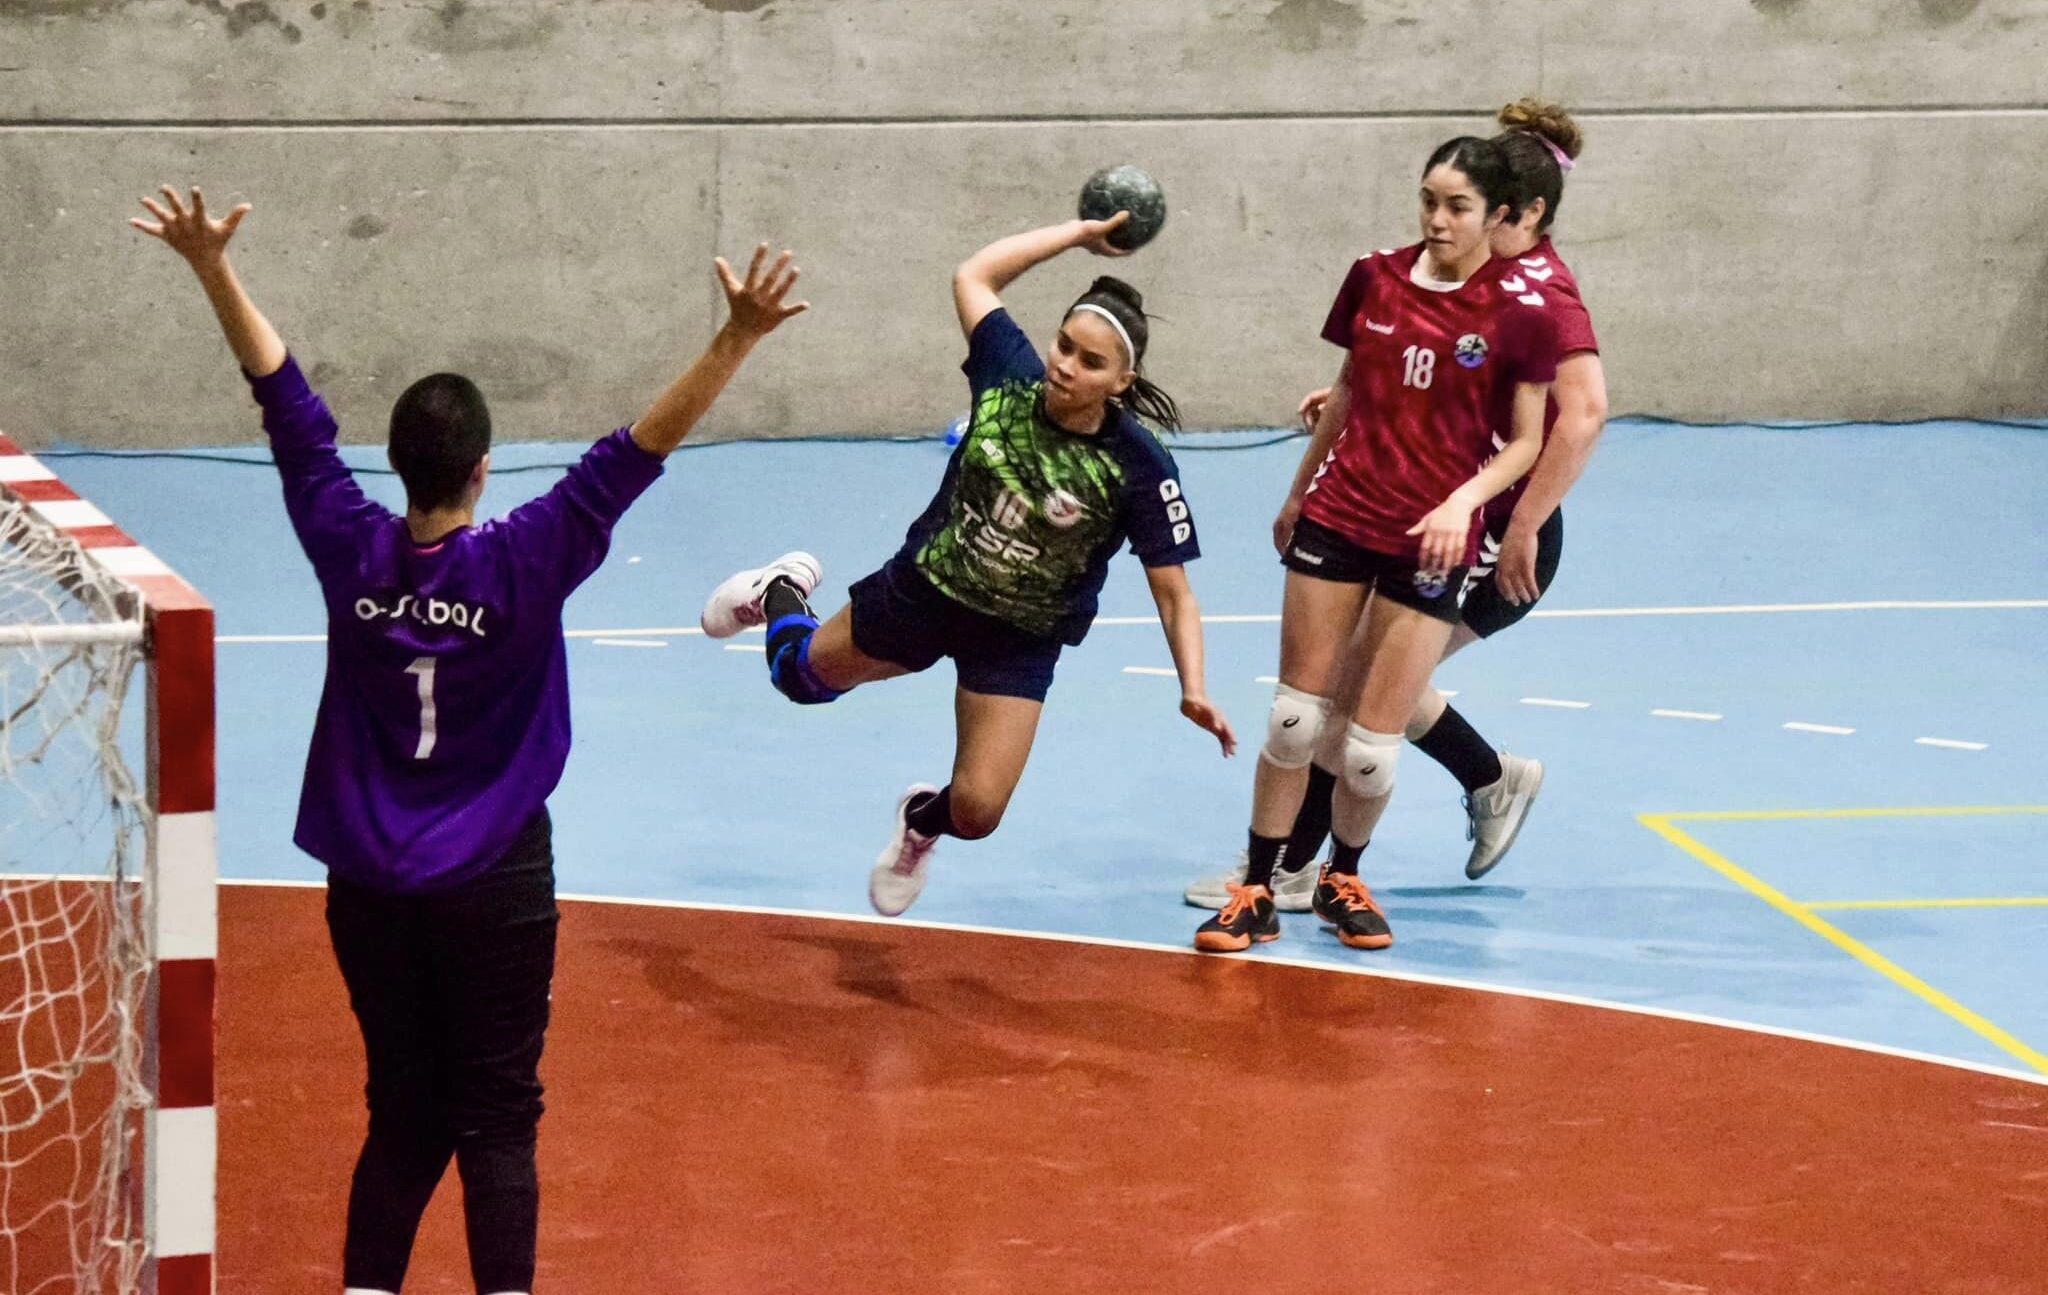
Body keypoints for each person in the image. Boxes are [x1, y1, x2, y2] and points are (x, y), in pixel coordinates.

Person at [133, 185, 805, 1295]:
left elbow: (287, 409)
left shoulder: (348, 543)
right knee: (497, 1114)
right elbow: (636, 452)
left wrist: (212, 268)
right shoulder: (527, 556)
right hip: (495, 874)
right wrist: (733, 336)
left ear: (396, 466)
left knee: (402, 1110)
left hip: (368, 881)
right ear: (484, 467)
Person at [700, 213, 1236, 917]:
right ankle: (778, 590)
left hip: (1019, 635)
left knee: (979, 809)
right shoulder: (1007, 374)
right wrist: (1077, 234)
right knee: (797, 680)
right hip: (926, 588)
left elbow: (1174, 593)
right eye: (1065, 345)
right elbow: (974, 275)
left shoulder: (1137, 466)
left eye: (1090, 362)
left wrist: (1192, 686)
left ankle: (921, 821)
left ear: (1122, 379)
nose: (1066, 365)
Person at [1185, 98, 1606, 916]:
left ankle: (1292, 869)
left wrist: (1518, 525)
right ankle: (1487, 778)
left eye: (1475, 210)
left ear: (1520, 215)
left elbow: (1580, 416)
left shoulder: (1541, 293)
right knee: (1345, 694)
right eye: (1438, 204)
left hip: (1485, 530)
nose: (1453, 226)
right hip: (1411, 513)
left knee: (1348, 704)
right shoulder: (1423, 276)